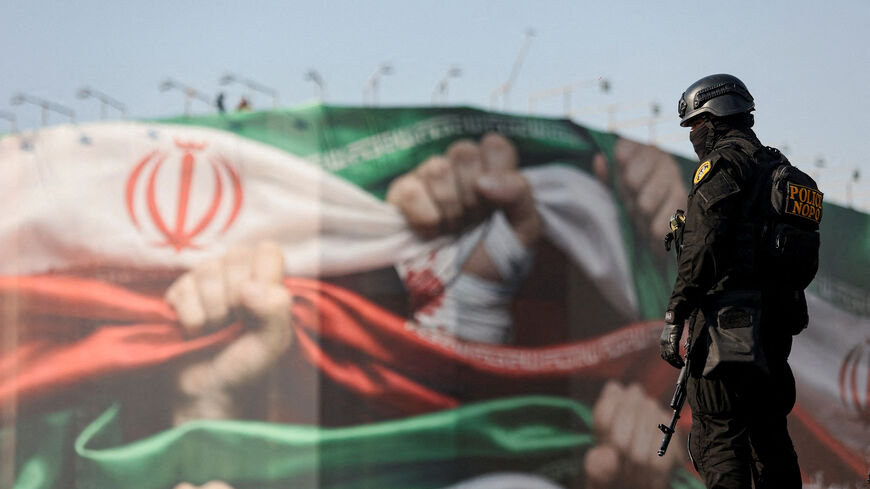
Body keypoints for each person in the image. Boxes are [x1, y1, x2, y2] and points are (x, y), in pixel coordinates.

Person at [659, 74, 803, 488]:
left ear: (715, 118)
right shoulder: (785, 174)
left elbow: (702, 247)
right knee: (771, 441)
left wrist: (675, 314)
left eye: (695, 125)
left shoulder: (722, 166)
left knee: (719, 439)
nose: (693, 135)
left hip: (726, 332)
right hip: (775, 336)